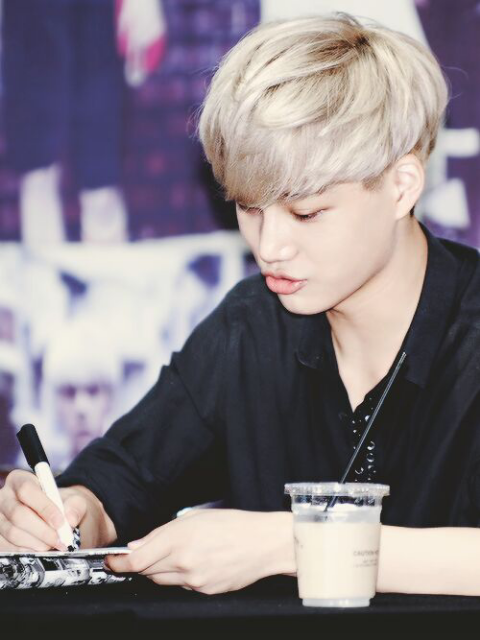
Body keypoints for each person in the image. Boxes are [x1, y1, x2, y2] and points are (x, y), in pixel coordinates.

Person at [1, 12, 480, 597]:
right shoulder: (251, 327)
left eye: (306, 212)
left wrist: (292, 545)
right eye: (249, 208)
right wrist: (71, 512)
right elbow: (121, 481)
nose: (269, 247)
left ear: (402, 186)